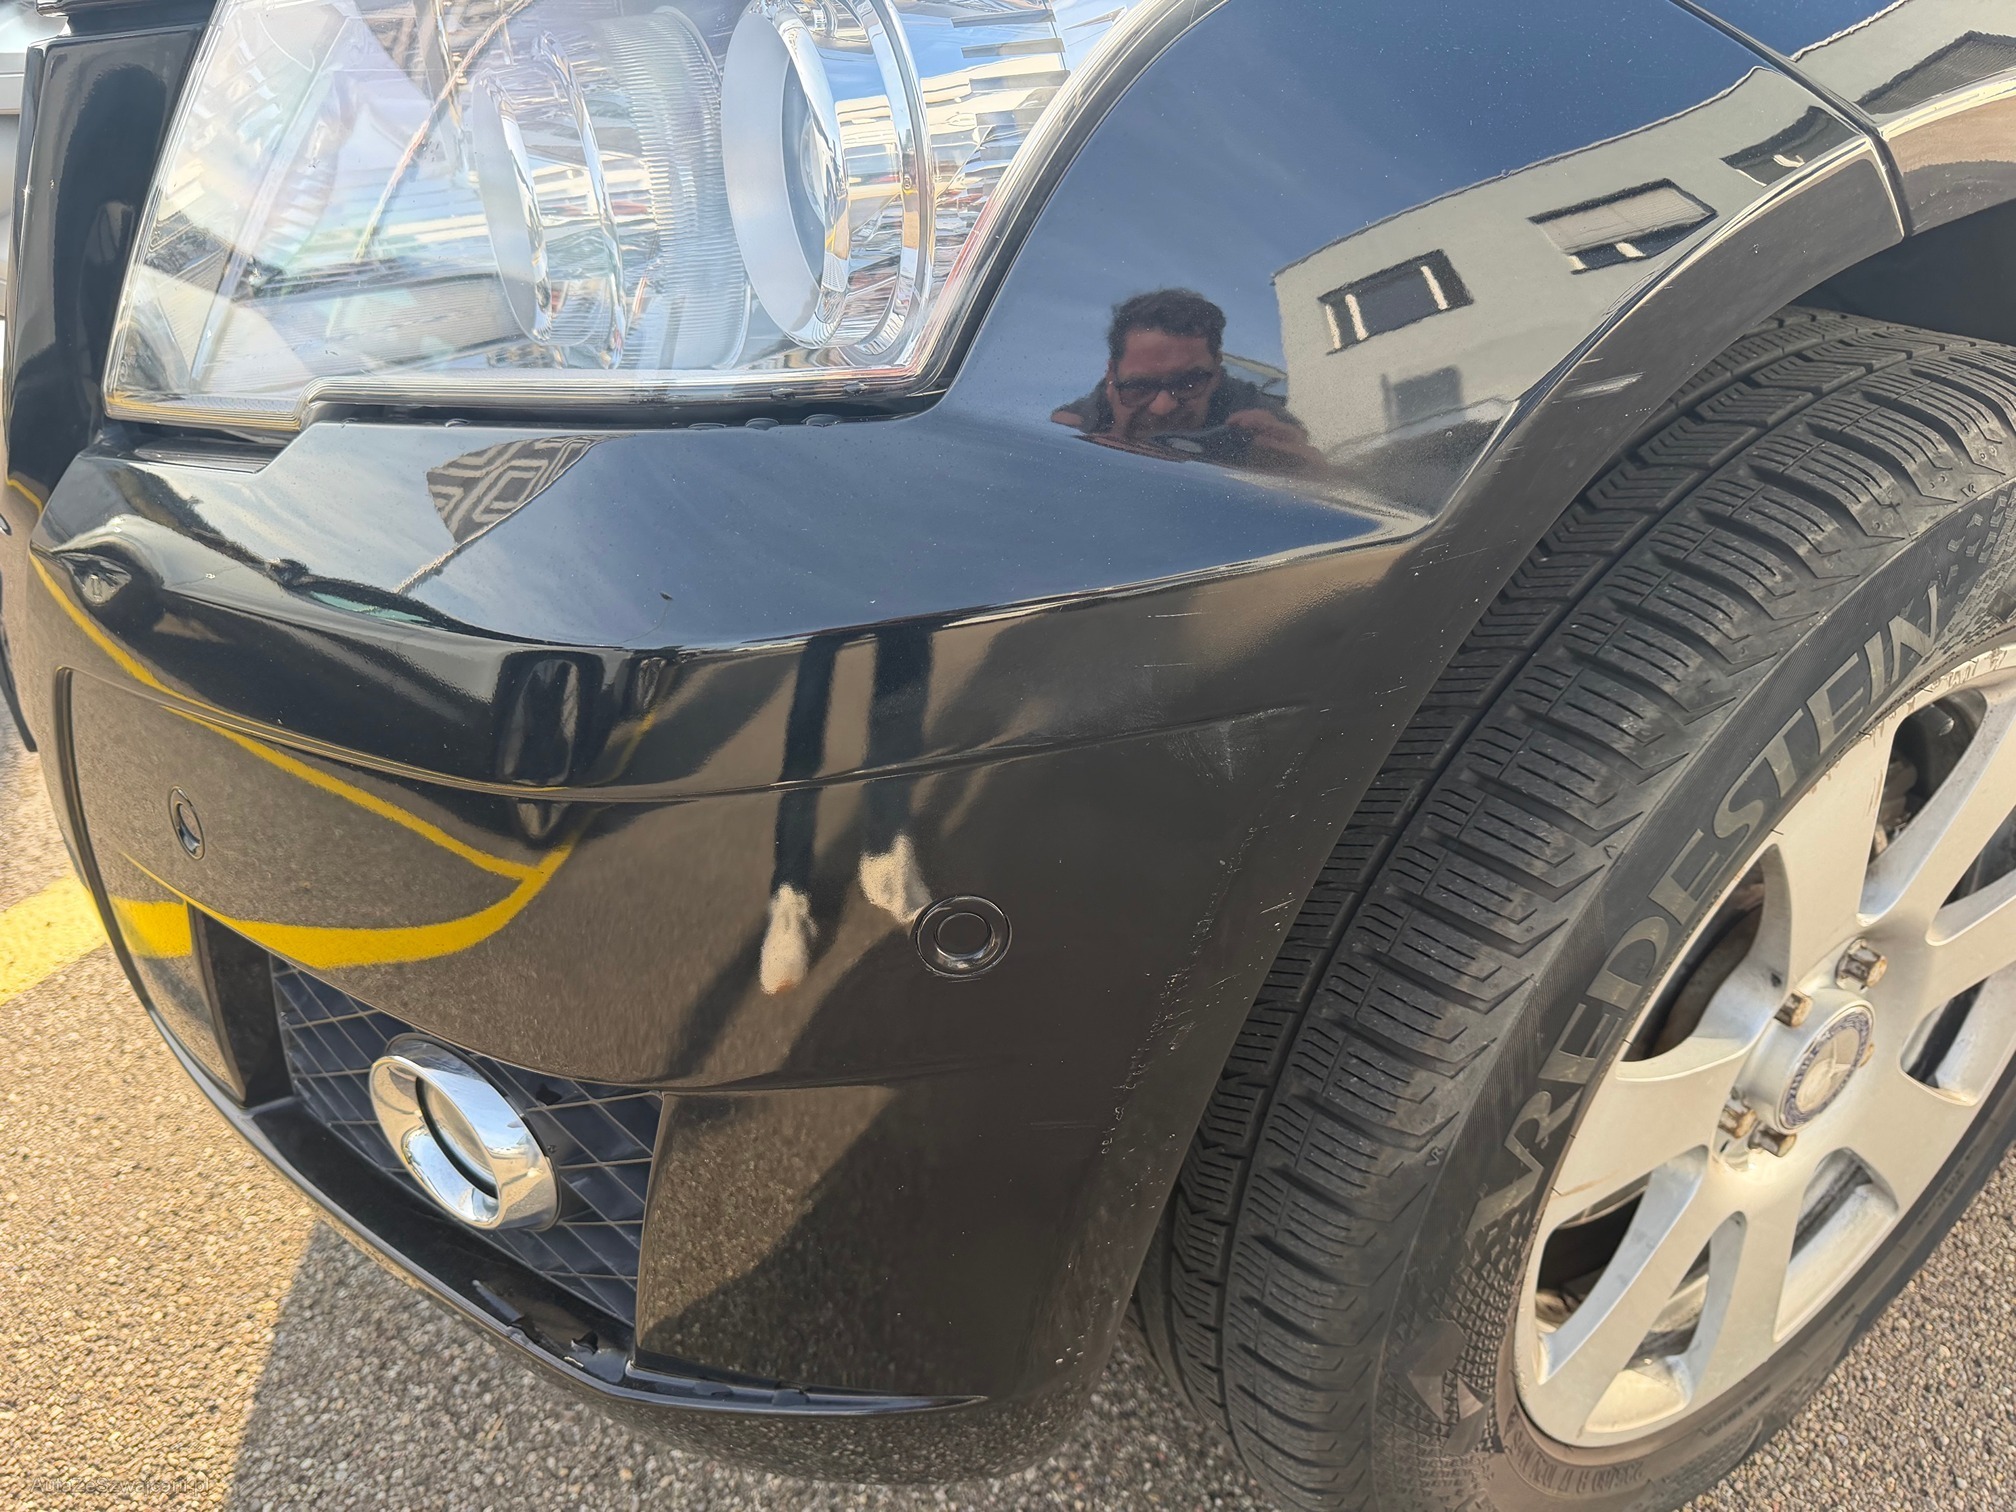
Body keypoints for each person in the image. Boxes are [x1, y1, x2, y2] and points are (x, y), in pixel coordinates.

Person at [1052, 288, 1318, 471]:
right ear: (1111, 375)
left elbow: (1319, 472)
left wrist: (1300, 471)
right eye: (1140, 387)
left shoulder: (1249, 409)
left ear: (1217, 371)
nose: (1162, 407)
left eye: (1188, 384)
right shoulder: (1088, 414)